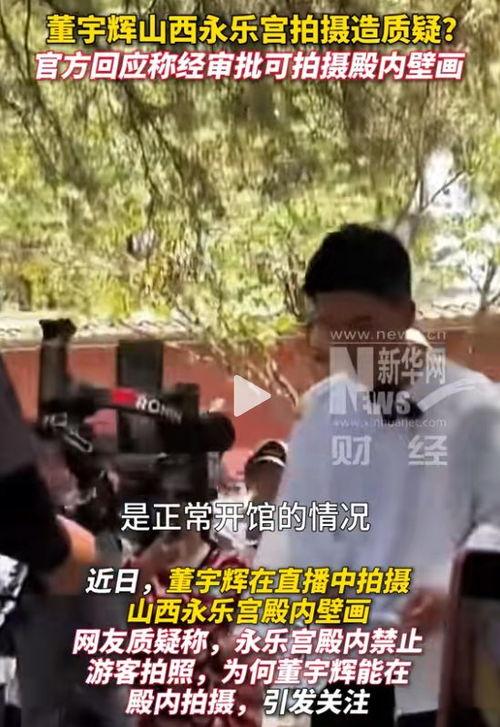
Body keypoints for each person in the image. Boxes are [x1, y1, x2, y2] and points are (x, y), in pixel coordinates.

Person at [254, 224, 500, 726]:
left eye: (363, 325)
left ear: (407, 314)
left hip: (436, 679)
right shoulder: (322, 412)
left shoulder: (477, 409)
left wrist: (453, 592)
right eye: (331, 328)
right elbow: (291, 534)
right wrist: (260, 638)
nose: (348, 346)